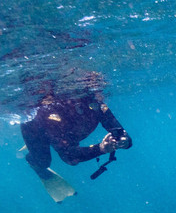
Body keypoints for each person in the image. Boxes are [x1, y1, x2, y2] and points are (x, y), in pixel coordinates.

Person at [20, 74, 132, 202]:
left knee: (63, 144)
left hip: (64, 136)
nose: (99, 94)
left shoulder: (96, 105)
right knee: (43, 162)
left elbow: (121, 133)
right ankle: (33, 158)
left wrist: (125, 141)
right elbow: (69, 157)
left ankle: (45, 143)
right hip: (35, 130)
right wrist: (101, 149)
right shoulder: (52, 112)